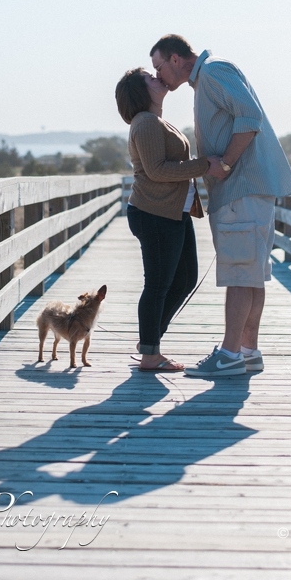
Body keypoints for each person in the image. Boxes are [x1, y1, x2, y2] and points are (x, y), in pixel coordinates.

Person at [149, 35, 291, 378]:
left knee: (239, 274)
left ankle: (230, 355)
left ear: (175, 59)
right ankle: (247, 352)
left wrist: (226, 164)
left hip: (240, 189)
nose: (159, 77)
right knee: (251, 275)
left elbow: (250, 117)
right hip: (247, 191)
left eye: (159, 67)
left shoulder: (213, 72)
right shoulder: (209, 77)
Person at [115, 67, 210, 372]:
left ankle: (149, 341)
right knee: (157, 285)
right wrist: (205, 166)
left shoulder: (156, 121)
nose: (157, 78)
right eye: (149, 77)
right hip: (153, 213)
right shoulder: (145, 123)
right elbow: (157, 170)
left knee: (185, 279)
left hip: (172, 211)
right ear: (141, 91)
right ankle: (150, 354)